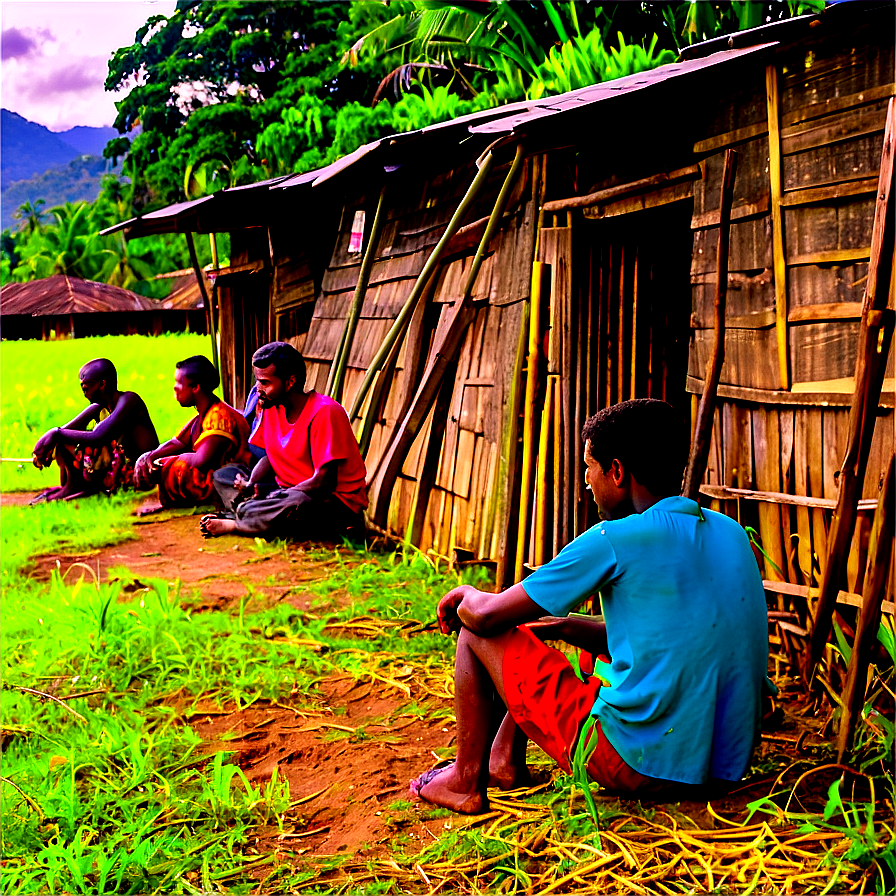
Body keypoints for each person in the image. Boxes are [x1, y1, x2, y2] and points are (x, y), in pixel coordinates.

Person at [409, 399, 769, 814]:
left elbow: (486, 615)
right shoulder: (731, 533)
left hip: (637, 764)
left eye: (589, 468)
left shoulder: (615, 538)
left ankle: (464, 779)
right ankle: (503, 759)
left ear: (617, 471)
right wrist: (567, 626)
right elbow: (666, 639)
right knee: (580, 651)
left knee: (476, 634)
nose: (586, 481)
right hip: (722, 767)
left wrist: (468, 593)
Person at [200, 341, 368, 540]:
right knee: (224, 475)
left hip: (328, 501)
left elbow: (324, 483)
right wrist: (250, 483)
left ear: (290, 382)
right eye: (257, 381)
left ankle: (236, 524)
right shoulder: (272, 408)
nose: (257, 389)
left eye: (265, 383)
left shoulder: (325, 412)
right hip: (284, 489)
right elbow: (271, 458)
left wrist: (276, 496)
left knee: (295, 503)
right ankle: (253, 513)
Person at [132, 355, 253, 512]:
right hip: (216, 476)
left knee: (178, 467)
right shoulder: (202, 414)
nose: (175, 388)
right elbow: (178, 442)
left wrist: (165, 463)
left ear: (195, 387)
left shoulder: (219, 415)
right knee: (159, 462)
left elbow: (200, 461)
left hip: (231, 481)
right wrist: (150, 456)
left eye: (178, 383)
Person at [31, 358, 159, 502]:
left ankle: (85, 488)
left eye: (85, 388)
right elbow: (65, 432)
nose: (84, 392)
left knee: (74, 438)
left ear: (102, 384)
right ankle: (72, 486)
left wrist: (55, 434)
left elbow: (98, 437)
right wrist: (46, 446)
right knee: (65, 439)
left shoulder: (129, 401)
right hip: (120, 472)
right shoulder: (100, 406)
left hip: (143, 473)